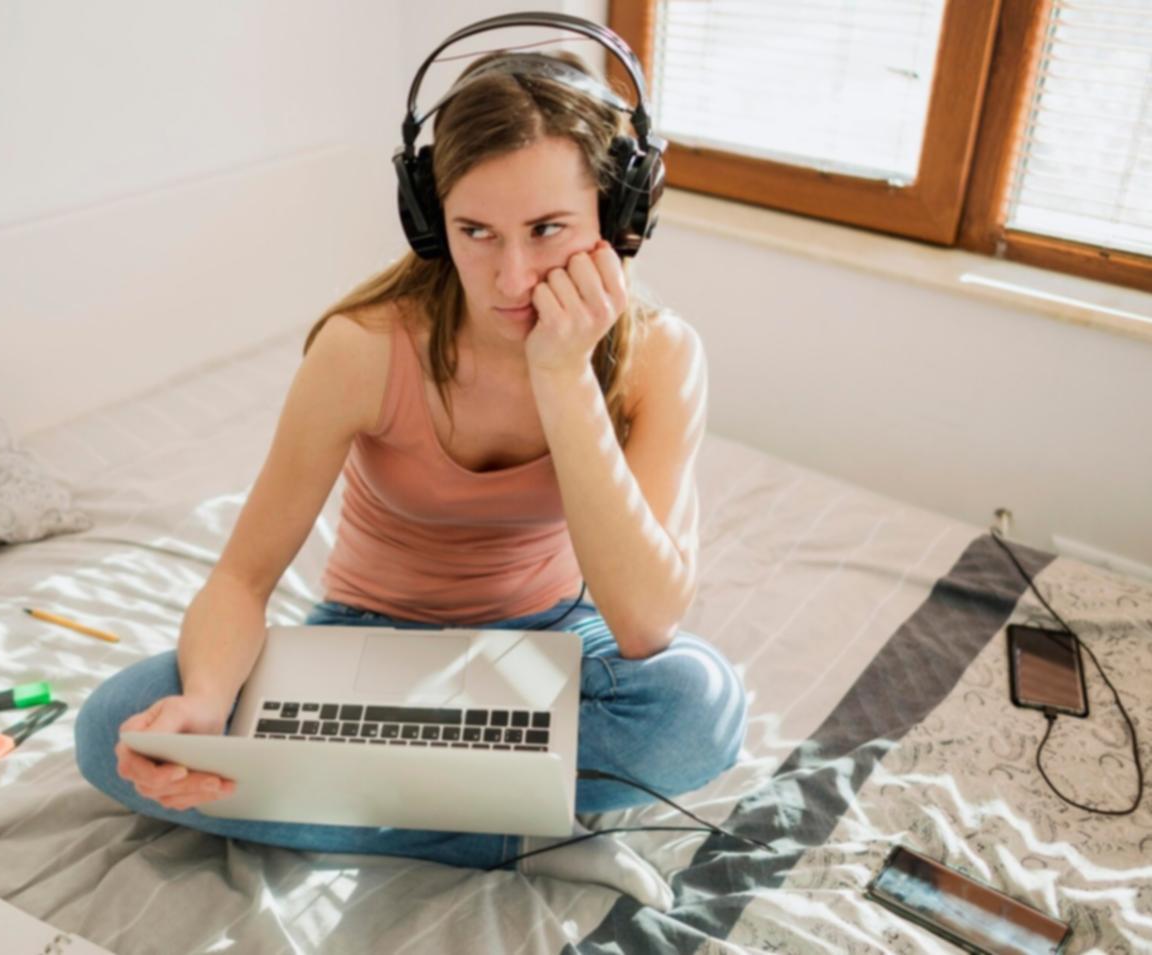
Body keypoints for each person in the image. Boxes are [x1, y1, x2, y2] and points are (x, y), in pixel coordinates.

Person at [74, 46, 747, 877]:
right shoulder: (361, 349)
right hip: (368, 645)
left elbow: (645, 622)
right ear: (431, 221)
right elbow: (241, 580)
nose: (510, 277)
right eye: (474, 232)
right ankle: (520, 824)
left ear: (618, 216)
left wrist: (562, 374)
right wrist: (207, 705)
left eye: (547, 230)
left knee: (700, 709)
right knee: (113, 726)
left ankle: (366, 797)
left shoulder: (660, 356)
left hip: (547, 639)